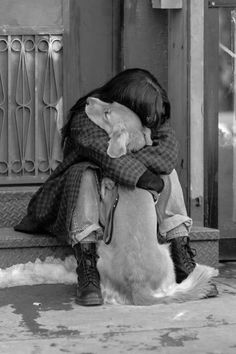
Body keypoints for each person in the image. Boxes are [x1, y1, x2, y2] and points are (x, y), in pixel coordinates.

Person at [14, 68, 218, 306]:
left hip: (127, 213)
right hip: (85, 201)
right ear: (125, 101)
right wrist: (139, 170)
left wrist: (134, 156)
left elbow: (168, 155)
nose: (152, 121)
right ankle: (87, 264)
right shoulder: (86, 116)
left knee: (168, 172)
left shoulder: (147, 116)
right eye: (145, 115)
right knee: (86, 172)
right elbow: (108, 155)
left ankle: (180, 250)